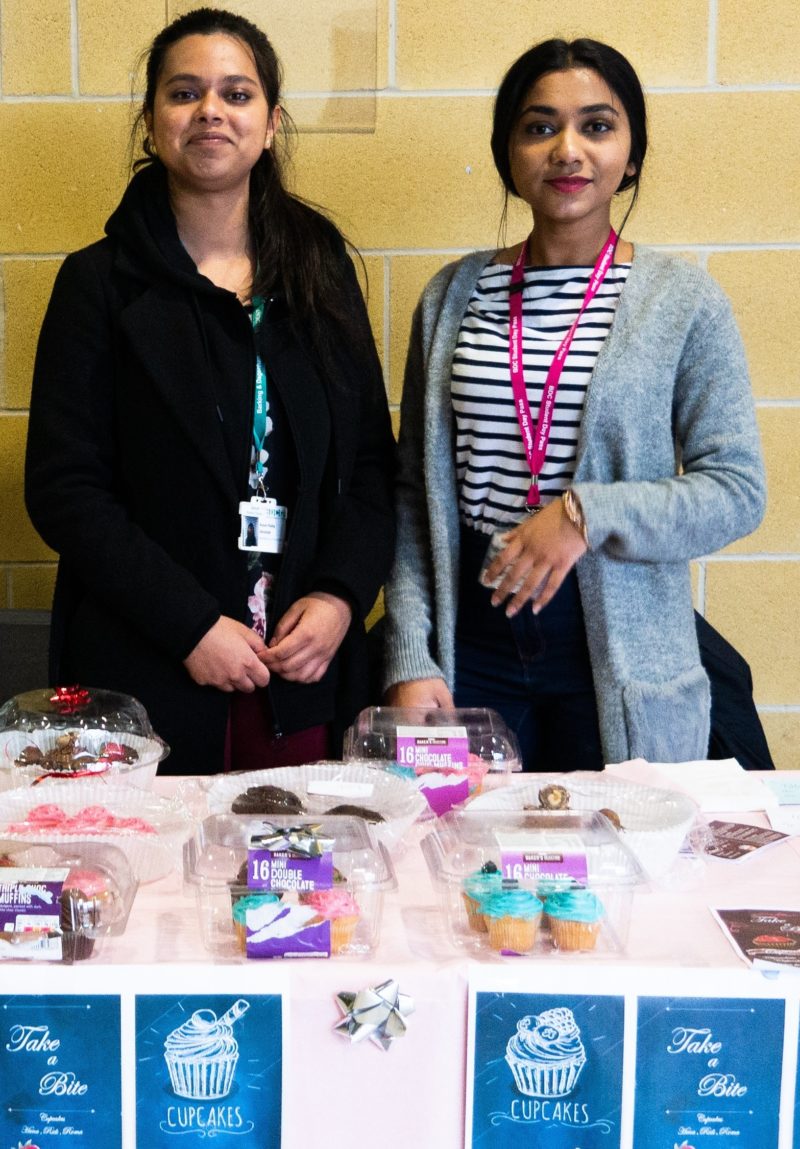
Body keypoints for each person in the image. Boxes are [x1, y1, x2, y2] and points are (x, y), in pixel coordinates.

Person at [25, 7, 395, 775]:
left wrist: (338, 597)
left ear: (271, 121)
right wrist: (191, 625)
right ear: (153, 120)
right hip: (150, 668)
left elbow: (369, 464)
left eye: (236, 93)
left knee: (302, 885)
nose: (210, 112)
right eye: (184, 92)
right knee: (153, 887)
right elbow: (66, 490)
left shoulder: (319, 269)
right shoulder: (98, 284)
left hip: (301, 671)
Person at [383, 38, 765, 771]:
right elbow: (411, 497)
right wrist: (408, 650)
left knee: (614, 867)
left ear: (633, 153)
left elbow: (738, 490)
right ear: (508, 152)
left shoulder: (682, 302)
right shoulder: (450, 296)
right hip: (472, 644)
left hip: (617, 652)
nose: (567, 150)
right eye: (539, 127)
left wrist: (586, 515)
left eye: (596, 125)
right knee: (463, 863)